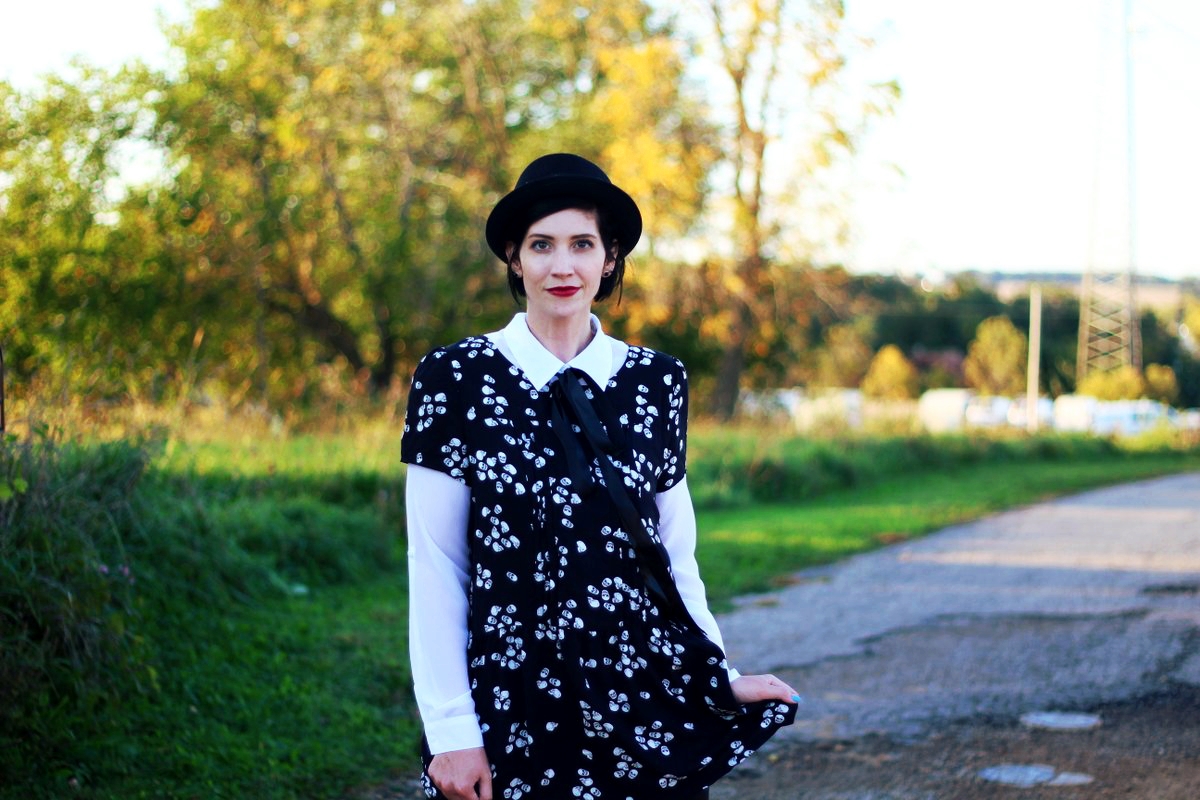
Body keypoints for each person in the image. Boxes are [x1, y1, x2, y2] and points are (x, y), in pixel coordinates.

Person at [402, 153, 799, 800]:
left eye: (582, 244)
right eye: (542, 245)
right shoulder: (456, 379)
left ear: (609, 258)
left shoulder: (656, 381)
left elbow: (672, 555)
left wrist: (715, 672)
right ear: (514, 256)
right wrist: (451, 730)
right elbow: (436, 563)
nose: (563, 267)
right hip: (514, 699)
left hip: (639, 690)